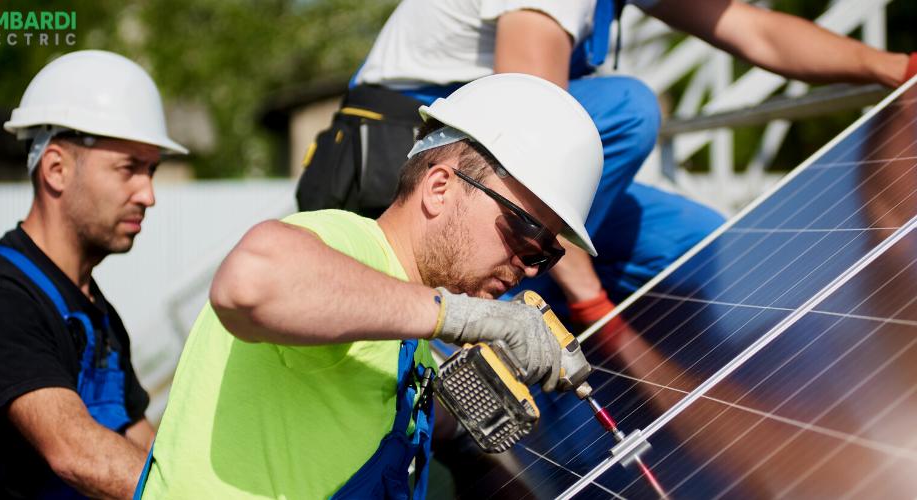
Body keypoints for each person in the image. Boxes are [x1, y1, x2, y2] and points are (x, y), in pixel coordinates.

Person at [311, 0, 917, 330]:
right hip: (413, 166)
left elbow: (755, 31)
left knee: (706, 248)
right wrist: (589, 301)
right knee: (627, 109)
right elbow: (529, 142)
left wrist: (894, 69)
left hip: (495, 171)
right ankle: (509, 319)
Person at [138, 73, 603, 498]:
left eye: (547, 252)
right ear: (440, 187)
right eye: (523, 231)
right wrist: (474, 318)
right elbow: (249, 281)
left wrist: (464, 407)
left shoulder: (408, 334)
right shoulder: (347, 244)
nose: (530, 264)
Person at [0, 50, 188, 499]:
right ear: (56, 169)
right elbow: (75, 451)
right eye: (129, 169)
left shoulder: (96, 314)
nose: (149, 194)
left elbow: (143, 444)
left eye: (152, 170)